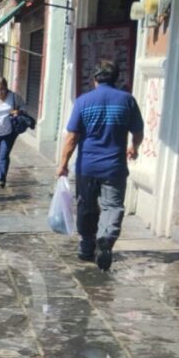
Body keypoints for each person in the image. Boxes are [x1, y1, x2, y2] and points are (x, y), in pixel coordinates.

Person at [56, 60, 144, 271]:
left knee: (86, 207)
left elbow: (72, 137)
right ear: (116, 79)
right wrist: (134, 147)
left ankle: (87, 247)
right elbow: (138, 131)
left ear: (95, 79)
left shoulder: (83, 101)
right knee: (112, 206)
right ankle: (105, 238)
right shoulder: (127, 101)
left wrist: (63, 164)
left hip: (87, 166)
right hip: (114, 167)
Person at [0, 77, 22, 189]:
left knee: (3, 155)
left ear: (6, 88)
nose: (1, 92)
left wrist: (18, 111)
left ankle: (2, 177)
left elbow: (23, 107)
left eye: (3, 89)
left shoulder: (13, 97)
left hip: (8, 133)